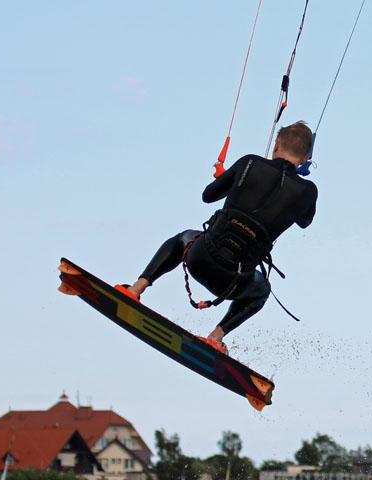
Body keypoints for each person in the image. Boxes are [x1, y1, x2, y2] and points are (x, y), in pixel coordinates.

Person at [121, 122, 318, 352]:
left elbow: (208, 195)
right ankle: (215, 337)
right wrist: (299, 183)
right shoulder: (308, 191)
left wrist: (230, 180)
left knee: (183, 237)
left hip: (200, 258)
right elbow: (305, 221)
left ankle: (135, 289)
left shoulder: (249, 162)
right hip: (236, 282)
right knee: (262, 289)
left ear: (276, 145)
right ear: (305, 159)